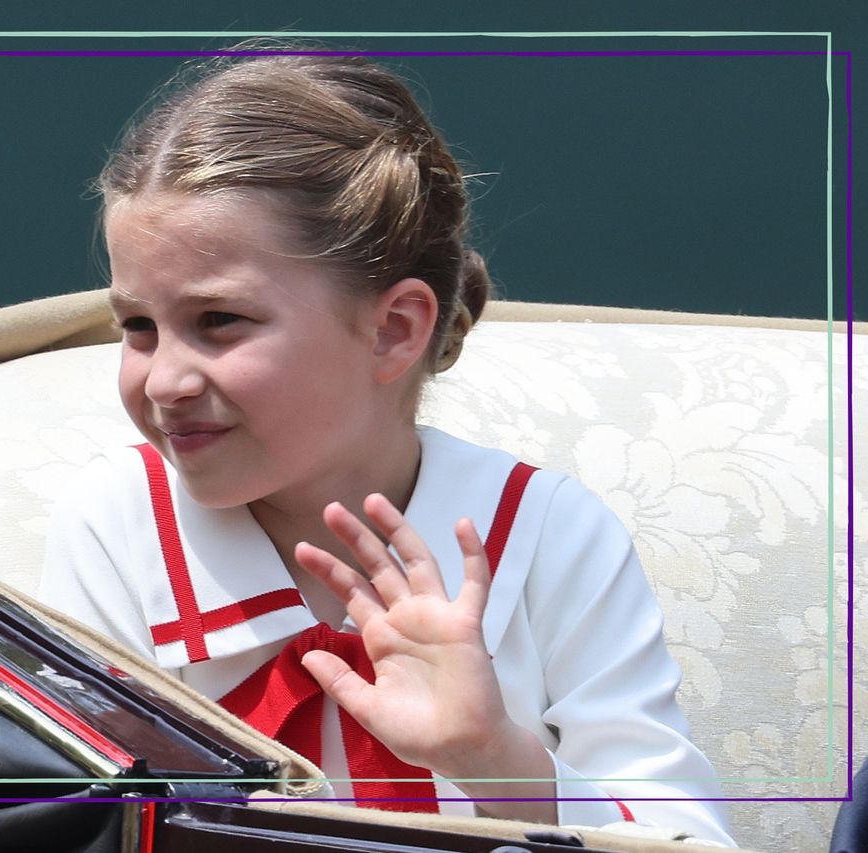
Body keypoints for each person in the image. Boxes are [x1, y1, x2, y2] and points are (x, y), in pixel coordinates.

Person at [39, 45, 735, 846]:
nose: (164, 380)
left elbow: (690, 839)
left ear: (394, 330)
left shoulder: (549, 532)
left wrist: (493, 755)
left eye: (219, 321)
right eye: (138, 327)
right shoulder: (116, 528)